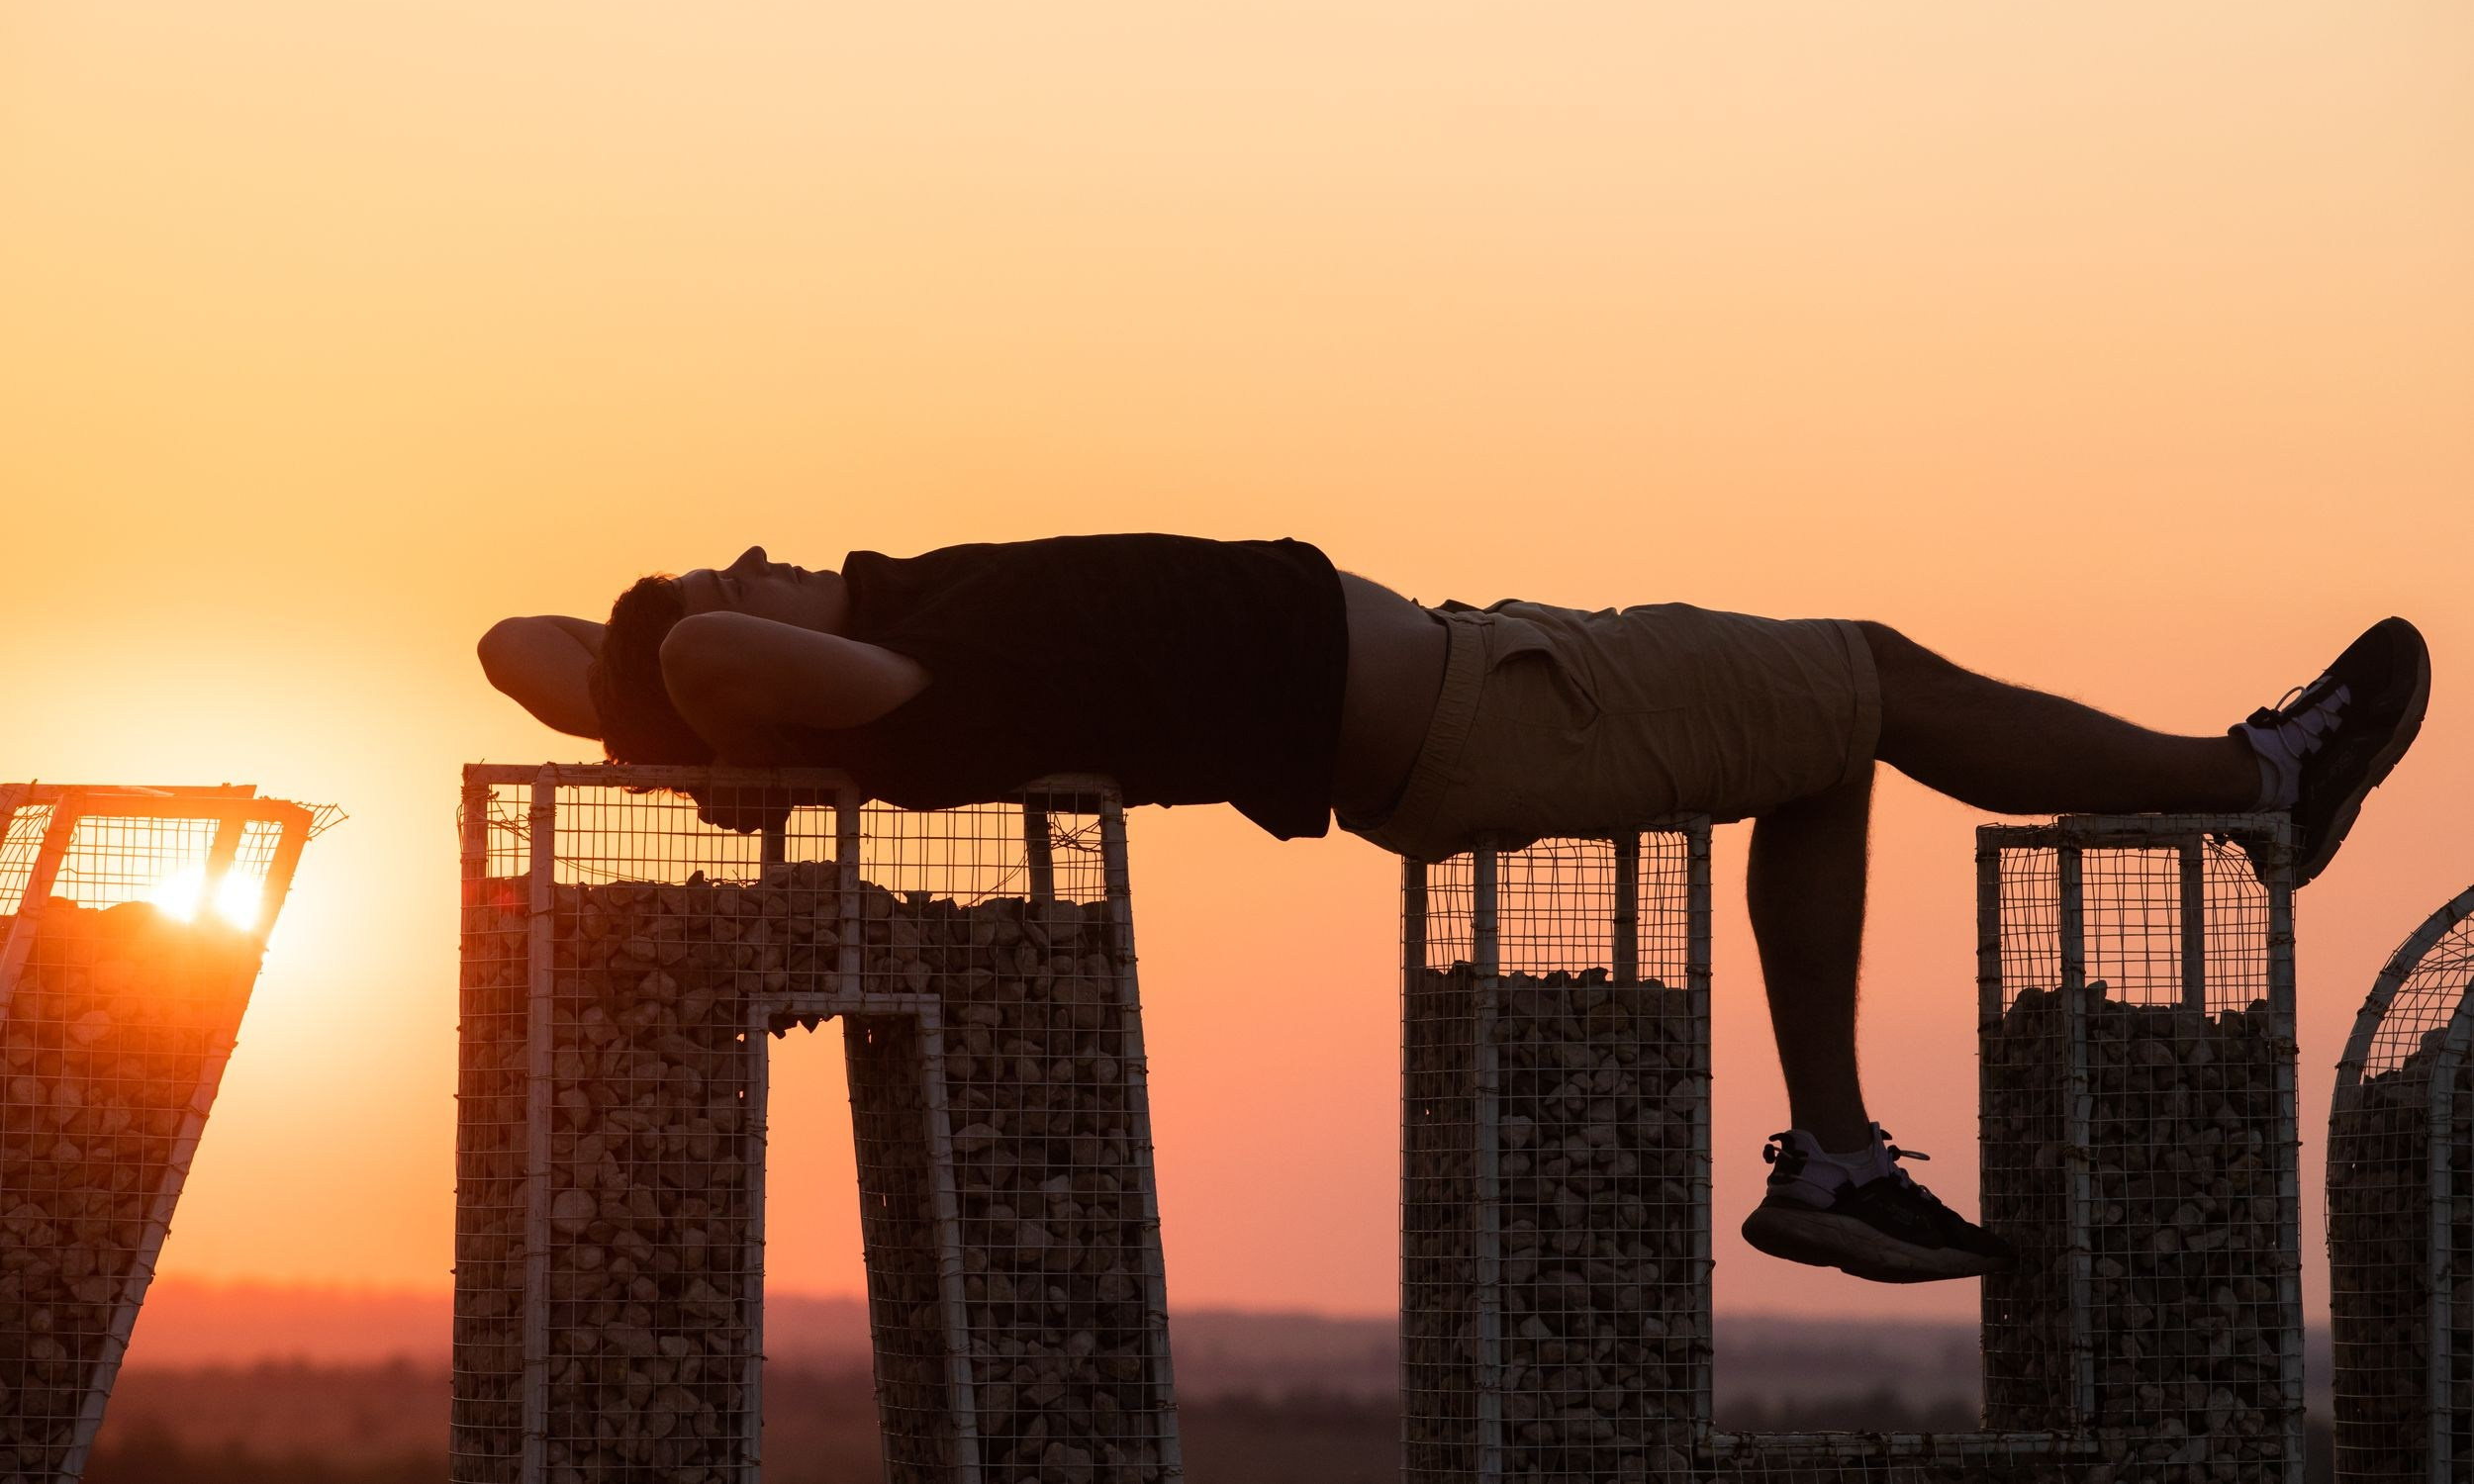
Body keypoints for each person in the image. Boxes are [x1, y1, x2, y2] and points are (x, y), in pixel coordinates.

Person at [478, 532, 2429, 1284]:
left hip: (1485, 666)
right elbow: (684, 652)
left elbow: (520, 640)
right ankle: (2248, 781)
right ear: (748, 681)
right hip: (1490, 718)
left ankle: (1831, 1155)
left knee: (1823, 735)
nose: (758, 546)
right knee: (1873, 671)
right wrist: (683, 676)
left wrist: (645, 674)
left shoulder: (881, 632)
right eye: (739, 579)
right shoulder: (911, 706)